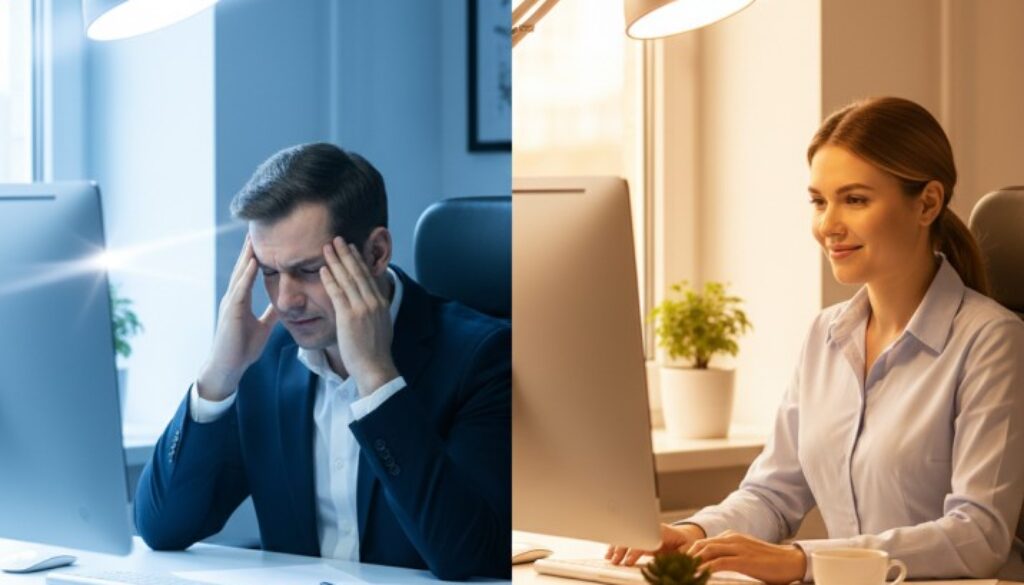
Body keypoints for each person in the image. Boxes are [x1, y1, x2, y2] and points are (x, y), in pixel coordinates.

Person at [608, 97, 1024, 582]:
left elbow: (978, 535)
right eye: (819, 201)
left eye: (855, 200)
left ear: (927, 203)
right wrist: (698, 531)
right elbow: (773, 493)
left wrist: (805, 560)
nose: (828, 225)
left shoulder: (992, 340)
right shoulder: (825, 335)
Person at [134, 143, 511, 580]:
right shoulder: (262, 361)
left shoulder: (483, 359)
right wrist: (220, 373)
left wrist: (376, 378)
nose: (287, 300)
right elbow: (162, 528)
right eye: (270, 272)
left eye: (310, 269)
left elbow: (469, 556)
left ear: (376, 253)